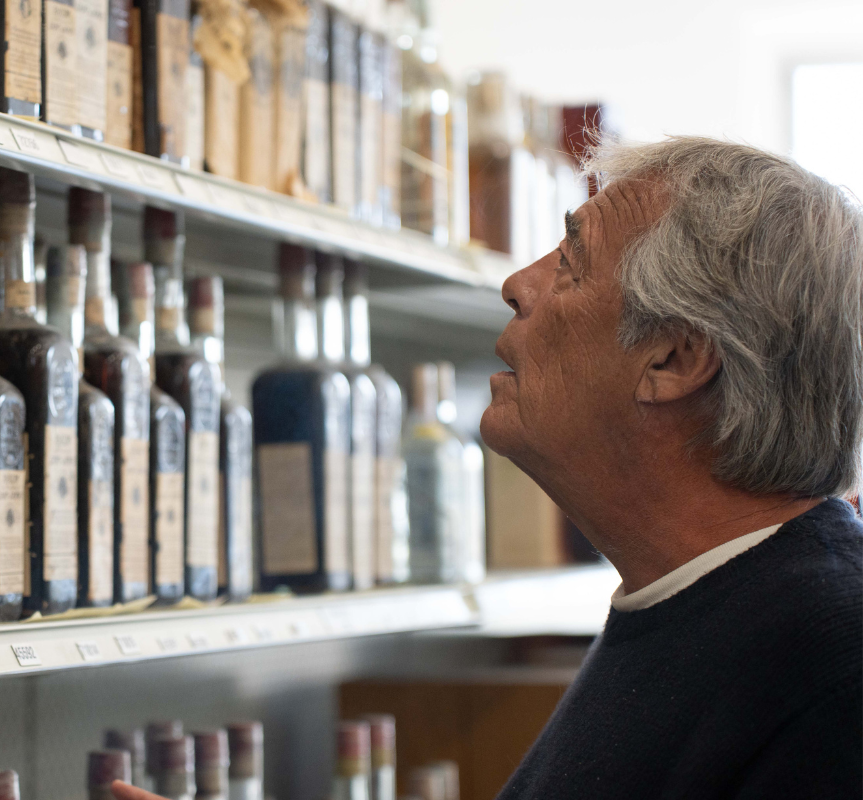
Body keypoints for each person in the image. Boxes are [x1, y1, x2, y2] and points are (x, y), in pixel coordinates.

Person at [111, 137, 863, 800]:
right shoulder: (697, 602)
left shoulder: (833, 669)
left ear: (672, 357)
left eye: (569, 265)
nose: (518, 285)